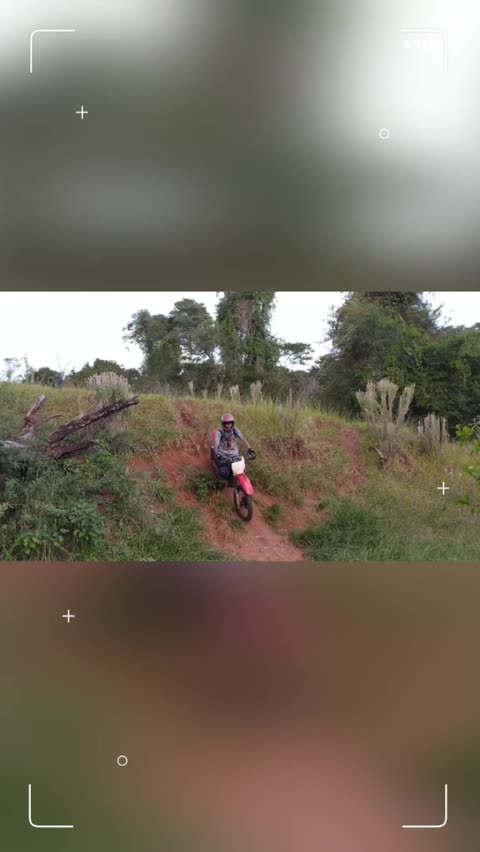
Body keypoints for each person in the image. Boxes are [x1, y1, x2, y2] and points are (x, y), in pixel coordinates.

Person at [213, 413, 254, 480]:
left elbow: (243, 439)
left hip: (235, 456)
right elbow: (216, 443)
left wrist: (250, 448)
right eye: (227, 423)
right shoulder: (220, 432)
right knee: (223, 473)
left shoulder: (235, 430)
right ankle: (226, 482)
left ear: (232, 423)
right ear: (223, 424)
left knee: (242, 469)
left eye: (230, 423)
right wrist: (217, 453)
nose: (229, 425)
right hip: (224, 457)